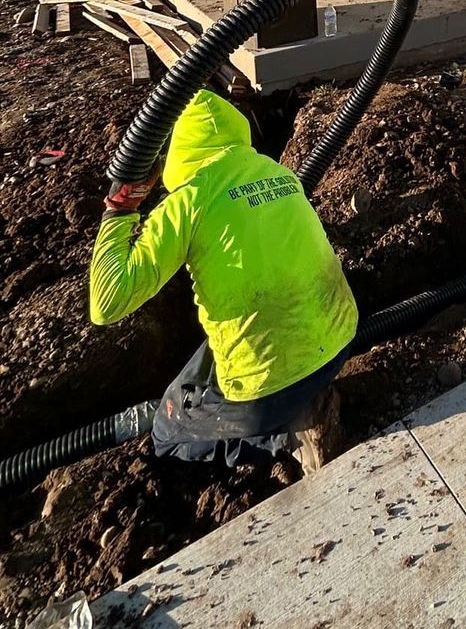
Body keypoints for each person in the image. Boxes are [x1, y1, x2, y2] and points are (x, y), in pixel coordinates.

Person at [90, 88, 357, 472]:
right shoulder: (277, 171)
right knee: (202, 361)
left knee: (167, 433)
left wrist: (119, 211)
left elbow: (107, 303)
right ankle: (300, 401)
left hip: (270, 388)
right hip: (339, 339)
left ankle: (285, 440)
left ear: (177, 149)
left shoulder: (187, 202)